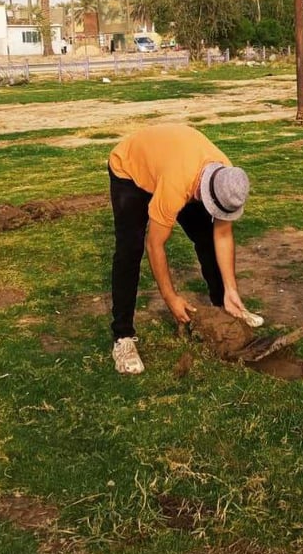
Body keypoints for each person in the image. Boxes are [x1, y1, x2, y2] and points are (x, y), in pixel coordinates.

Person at [107, 123, 264, 375]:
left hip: (175, 163)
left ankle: (226, 306)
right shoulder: (176, 186)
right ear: (204, 194)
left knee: (206, 237)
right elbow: (155, 244)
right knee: (130, 249)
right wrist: (171, 298)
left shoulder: (226, 179)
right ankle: (122, 336)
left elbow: (222, 235)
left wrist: (231, 288)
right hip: (130, 169)